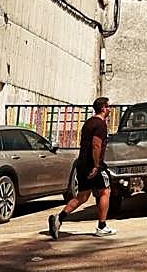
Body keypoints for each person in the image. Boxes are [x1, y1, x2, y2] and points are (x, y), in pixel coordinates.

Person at [49, 98, 117, 239]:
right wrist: (96, 166)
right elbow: (96, 145)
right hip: (93, 164)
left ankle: (59, 218)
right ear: (103, 108)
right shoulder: (100, 124)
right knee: (105, 191)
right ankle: (102, 226)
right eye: (108, 107)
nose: (110, 109)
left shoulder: (89, 122)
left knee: (83, 196)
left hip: (82, 163)